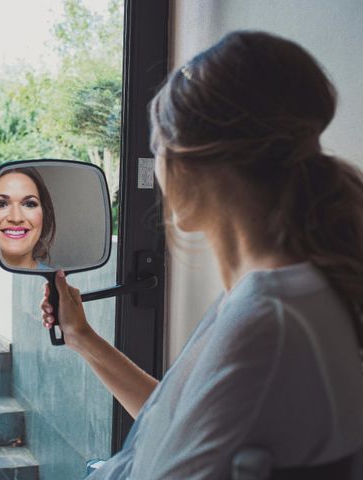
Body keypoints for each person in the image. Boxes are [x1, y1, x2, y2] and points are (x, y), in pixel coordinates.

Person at [40, 31, 363, 478]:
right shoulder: (277, 295)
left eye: (157, 151)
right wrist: (83, 339)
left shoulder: (269, 317)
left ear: (188, 163)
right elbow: (176, 428)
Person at [0, 167, 56, 269]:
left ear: (44, 213)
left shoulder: (56, 282)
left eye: (29, 204)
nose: (16, 218)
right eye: (0, 204)